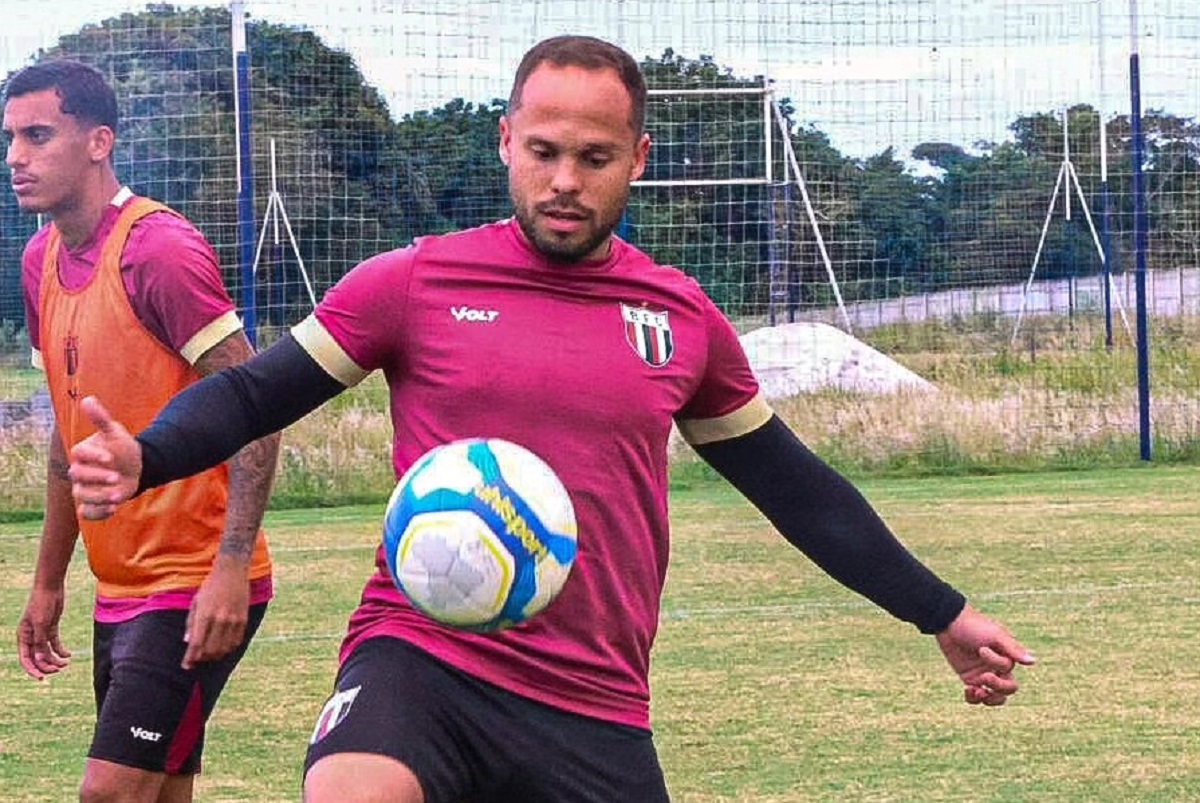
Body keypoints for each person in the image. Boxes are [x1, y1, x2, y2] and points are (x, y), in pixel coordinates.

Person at [67, 36, 1035, 803]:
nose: (565, 178)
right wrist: (146, 452)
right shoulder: (413, 281)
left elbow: (795, 488)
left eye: (594, 156)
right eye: (543, 152)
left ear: (636, 159)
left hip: (593, 699)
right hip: (421, 657)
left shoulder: (681, 318)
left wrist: (939, 611)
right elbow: (254, 391)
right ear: (506, 143)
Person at [3, 59, 279, 803]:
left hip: (192, 584)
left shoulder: (157, 250)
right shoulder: (39, 261)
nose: (15, 158)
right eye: (10, 139)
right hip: (119, 588)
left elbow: (257, 409)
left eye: (37, 136)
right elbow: (69, 436)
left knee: (110, 791)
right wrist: (49, 580)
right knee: (160, 792)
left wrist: (229, 568)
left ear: (99, 142)